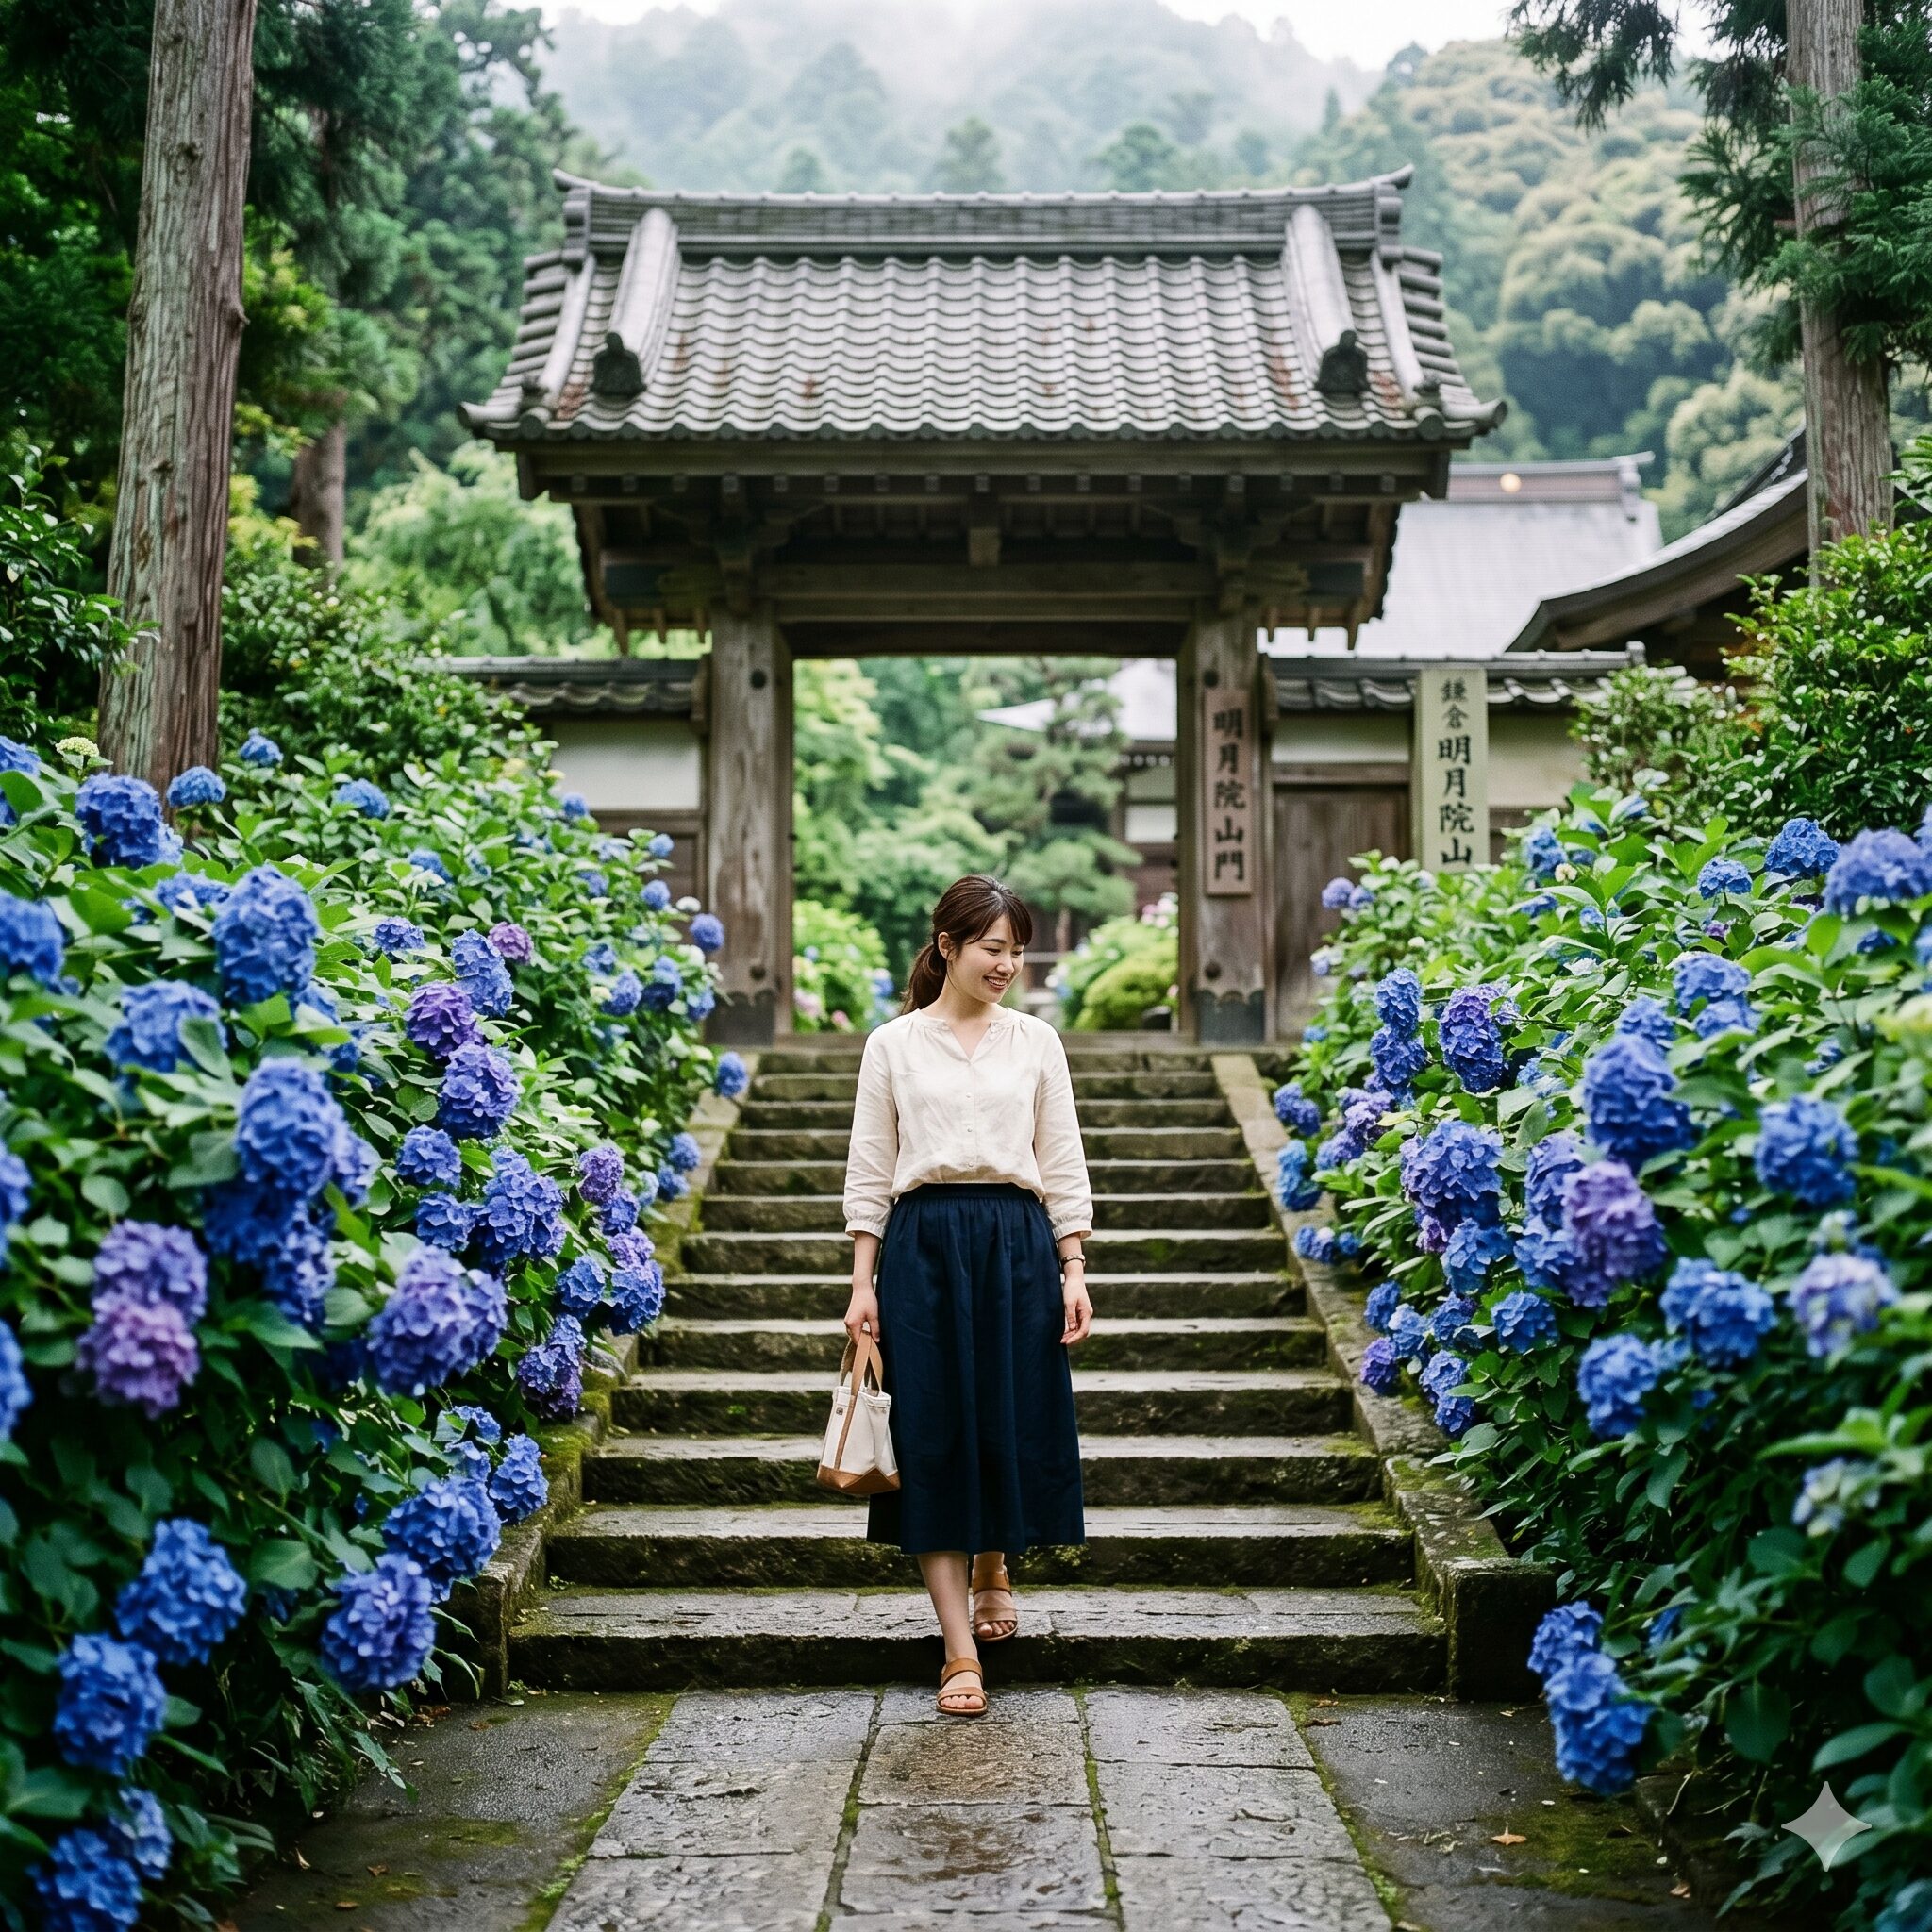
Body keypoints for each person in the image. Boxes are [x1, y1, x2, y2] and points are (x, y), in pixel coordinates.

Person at [841, 874, 1093, 1717]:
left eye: (1016, 952)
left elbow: (1060, 1158)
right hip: (923, 1250)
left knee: (1008, 1417)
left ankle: (996, 1562)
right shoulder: (893, 1045)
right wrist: (862, 1284)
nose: (1007, 966)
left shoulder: (1036, 1042)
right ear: (947, 947)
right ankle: (958, 1653)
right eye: (992, 949)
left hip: (1016, 1244)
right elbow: (872, 1170)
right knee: (935, 1437)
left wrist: (1073, 1267)